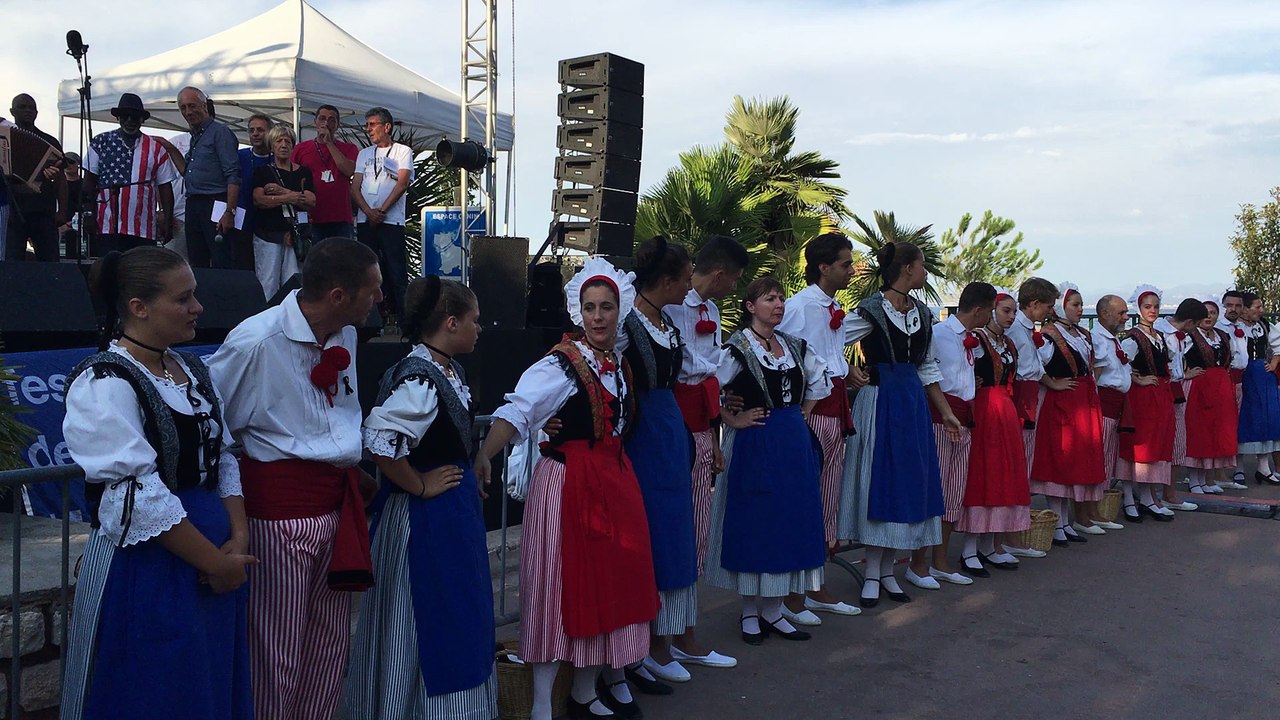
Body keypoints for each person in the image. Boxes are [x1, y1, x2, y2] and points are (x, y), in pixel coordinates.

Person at [60, 246, 255, 720]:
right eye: (183, 298)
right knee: (156, 691)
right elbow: (135, 497)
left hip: (213, 557)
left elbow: (222, 458)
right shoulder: (105, 382)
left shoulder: (190, 370)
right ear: (138, 307)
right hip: (151, 565)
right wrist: (216, 561)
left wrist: (238, 538)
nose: (198, 308)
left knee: (208, 686)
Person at [475, 258, 659, 720]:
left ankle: (583, 690)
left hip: (612, 483)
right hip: (567, 485)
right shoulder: (560, 365)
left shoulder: (617, 365)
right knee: (557, 588)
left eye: (606, 307)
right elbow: (518, 409)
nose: (598, 316)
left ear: (621, 311)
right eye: (590, 307)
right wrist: (484, 454)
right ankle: (541, 704)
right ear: (579, 313)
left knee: (604, 587)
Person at [207, 238, 383, 720]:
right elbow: (214, 428)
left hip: (336, 507)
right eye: (373, 290)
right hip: (279, 516)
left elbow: (338, 418)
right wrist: (236, 524)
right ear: (339, 295)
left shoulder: (344, 333)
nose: (380, 300)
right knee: (276, 653)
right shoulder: (256, 342)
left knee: (328, 648)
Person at [344, 276, 497, 720]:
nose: (479, 329)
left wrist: (472, 459)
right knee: (430, 620)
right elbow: (379, 437)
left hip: (449, 518)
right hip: (426, 525)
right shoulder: (420, 378)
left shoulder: (442, 368)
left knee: (454, 616)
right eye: (475, 320)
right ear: (451, 322)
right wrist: (419, 484)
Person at [619, 238, 735, 696]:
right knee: (652, 535)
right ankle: (648, 645)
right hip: (645, 434)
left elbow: (694, 366)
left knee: (674, 531)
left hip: (670, 432)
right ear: (666, 281)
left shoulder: (665, 321)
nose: (691, 283)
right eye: (686, 276)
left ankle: (665, 639)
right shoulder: (629, 324)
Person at [705, 276, 829, 645]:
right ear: (750, 306)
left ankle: (774, 610)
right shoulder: (737, 348)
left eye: (780, 299)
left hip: (792, 443)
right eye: (769, 299)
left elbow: (820, 382)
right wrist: (732, 417)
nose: (778, 304)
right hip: (756, 442)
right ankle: (748, 612)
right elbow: (708, 389)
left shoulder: (794, 345)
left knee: (789, 522)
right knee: (755, 522)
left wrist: (800, 414)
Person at [838, 242, 960, 608]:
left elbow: (926, 367)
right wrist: (847, 370)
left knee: (905, 485)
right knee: (881, 483)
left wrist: (947, 412)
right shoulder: (870, 310)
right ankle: (873, 573)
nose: (924, 272)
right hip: (879, 403)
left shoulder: (922, 313)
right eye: (922, 265)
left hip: (911, 407)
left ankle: (888, 571)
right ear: (907, 268)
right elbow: (827, 344)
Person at [661, 235, 747, 676]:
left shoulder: (711, 312)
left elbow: (709, 377)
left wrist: (714, 441)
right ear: (720, 274)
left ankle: (682, 634)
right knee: (673, 532)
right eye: (734, 278)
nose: (734, 287)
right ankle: (666, 641)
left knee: (695, 531)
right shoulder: (666, 308)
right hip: (670, 426)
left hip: (699, 428)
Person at [776, 233, 863, 620]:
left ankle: (813, 585)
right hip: (812, 412)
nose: (852, 269)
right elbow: (783, 356)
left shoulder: (832, 308)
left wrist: (850, 374)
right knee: (809, 498)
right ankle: (797, 592)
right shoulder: (798, 307)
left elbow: (828, 357)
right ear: (824, 267)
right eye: (846, 263)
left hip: (836, 408)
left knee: (828, 497)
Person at [908, 282, 995, 587]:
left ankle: (941, 560)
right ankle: (917, 563)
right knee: (934, 490)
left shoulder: (972, 339)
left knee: (954, 492)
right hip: (940, 419)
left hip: (964, 416)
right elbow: (927, 373)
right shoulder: (940, 334)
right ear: (979, 309)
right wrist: (946, 412)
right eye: (991, 310)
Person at [956, 288, 1032, 574]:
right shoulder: (976, 341)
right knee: (983, 475)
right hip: (985, 411)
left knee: (1003, 476)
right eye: (1005, 311)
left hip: (1005, 411)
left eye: (1013, 311)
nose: (1011, 316)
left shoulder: (1008, 344)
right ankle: (969, 548)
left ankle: (990, 544)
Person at [1030, 282, 1108, 544]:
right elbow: (1033, 364)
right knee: (1061, 460)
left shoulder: (1082, 334)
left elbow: (1095, 365)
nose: (1079, 309)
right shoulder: (1049, 335)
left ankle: (1065, 521)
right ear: (1061, 306)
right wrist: (1052, 383)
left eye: (1080, 305)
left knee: (1075, 460)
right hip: (1062, 403)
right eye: (1075, 305)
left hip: (1082, 402)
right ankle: (1059, 521)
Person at [1000, 277, 1059, 558]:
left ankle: (1017, 531)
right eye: (1047, 306)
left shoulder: (1027, 331)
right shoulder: (1015, 331)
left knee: (1024, 466)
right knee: (1017, 469)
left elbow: (1035, 366)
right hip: (1020, 398)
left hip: (1030, 395)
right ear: (1034, 304)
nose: (1050, 312)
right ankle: (1011, 535)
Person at [83, 93, 177, 255]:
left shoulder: (156, 149)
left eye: (135, 117)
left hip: (143, 229)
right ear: (118, 117)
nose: (129, 121)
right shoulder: (100, 142)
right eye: (125, 116)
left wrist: (167, 221)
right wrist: (88, 213)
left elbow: (165, 188)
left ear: (142, 119)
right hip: (106, 226)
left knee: (139, 274)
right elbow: (89, 182)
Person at [1116, 285, 1179, 521]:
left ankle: (1147, 497)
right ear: (1139, 309)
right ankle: (1130, 499)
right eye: (1147, 307)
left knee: (1155, 446)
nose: (1152, 311)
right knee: (1138, 447)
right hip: (1141, 399)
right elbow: (1121, 364)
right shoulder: (1133, 337)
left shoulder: (1159, 336)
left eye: (1155, 307)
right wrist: (1138, 379)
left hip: (1159, 396)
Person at [352, 107, 413, 322]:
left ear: (387, 127)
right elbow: (355, 187)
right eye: (366, 124)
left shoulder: (402, 151)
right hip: (365, 220)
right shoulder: (364, 154)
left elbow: (402, 183)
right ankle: (369, 321)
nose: (368, 129)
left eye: (372, 124)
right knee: (366, 271)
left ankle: (406, 323)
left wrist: (382, 211)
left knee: (396, 272)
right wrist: (369, 212)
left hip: (392, 221)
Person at [175, 87, 239, 268]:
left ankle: (222, 296)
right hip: (193, 203)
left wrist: (229, 211)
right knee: (196, 260)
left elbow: (233, 174)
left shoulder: (220, 132)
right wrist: (168, 147)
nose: (188, 112)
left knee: (221, 259)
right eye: (183, 108)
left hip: (215, 202)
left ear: (204, 106)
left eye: (192, 106)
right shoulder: (195, 136)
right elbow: (186, 172)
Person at [1181, 297, 1238, 494]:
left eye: (1212, 313)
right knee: (1199, 432)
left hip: (1220, 387)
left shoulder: (1222, 335)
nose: (1208, 317)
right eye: (1205, 313)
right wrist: (1185, 373)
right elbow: (1176, 357)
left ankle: (1207, 479)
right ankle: (1194, 479)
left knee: (1216, 432)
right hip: (1199, 386)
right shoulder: (1189, 336)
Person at [251, 124, 314, 298]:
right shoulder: (263, 172)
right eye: (279, 141)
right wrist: (290, 198)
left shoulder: (303, 172)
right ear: (272, 146)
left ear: (293, 145)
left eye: (287, 141)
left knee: (294, 283)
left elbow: (311, 201)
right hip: (268, 234)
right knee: (267, 282)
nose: (284, 144)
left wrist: (282, 192)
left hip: (297, 237)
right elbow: (259, 200)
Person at [6, 93, 67, 261]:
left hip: (43, 212)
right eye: (22, 107)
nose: (28, 111)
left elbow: (61, 179)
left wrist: (62, 210)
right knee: (12, 264)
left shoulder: (49, 142)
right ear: (12, 111)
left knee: (50, 263)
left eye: (31, 108)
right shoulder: (4, 141)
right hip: (13, 212)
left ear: (37, 113)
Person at [1091, 294, 1132, 527]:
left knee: (1109, 455)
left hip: (1117, 402)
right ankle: (1096, 509)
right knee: (1103, 456)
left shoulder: (1112, 338)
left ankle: (1102, 506)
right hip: (1105, 403)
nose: (1126, 318)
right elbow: (1095, 375)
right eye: (1121, 313)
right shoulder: (1097, 338)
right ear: (1105, 314)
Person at [292, 105, 358, 239]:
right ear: (315, 122)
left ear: (337, 125)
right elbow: (292, 179)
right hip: (313, 217)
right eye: (322, 119)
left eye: (331, 120)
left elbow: (348, 170)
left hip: (341, 217)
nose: (326, 123)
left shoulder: (349, 148)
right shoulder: (301, 148)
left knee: (342, 258)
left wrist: (329, 143)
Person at [1234, 291, 1280, 485]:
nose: (1261, 310)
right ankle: (1238, 467)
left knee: (1265, 418)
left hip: (1261, 377)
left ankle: (1263, 467)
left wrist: (1273, 364)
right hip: (1243, 376)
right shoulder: (1233, 328)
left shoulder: (1264, 326)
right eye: (1257, 307)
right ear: (1244, 308)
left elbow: (1278, 348)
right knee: (1241, 417)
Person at [1216, 290, 1251, 489]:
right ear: (1223, 306)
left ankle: (1231, 469)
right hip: (1225, 380)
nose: (1233, 309)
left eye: (1238, 306)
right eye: (1230, 305)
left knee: (1234, 425)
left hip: (1239, 380)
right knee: (1222, 425)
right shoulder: (1219, 329)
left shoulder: (1242, 328)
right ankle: (1219, 472)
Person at [234, 113, 275, 271]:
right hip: (242, 223)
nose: (255, 134)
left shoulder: (278, 158)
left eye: (260, 130)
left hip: (268, 225)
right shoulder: (239, 156)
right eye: (252, 130)